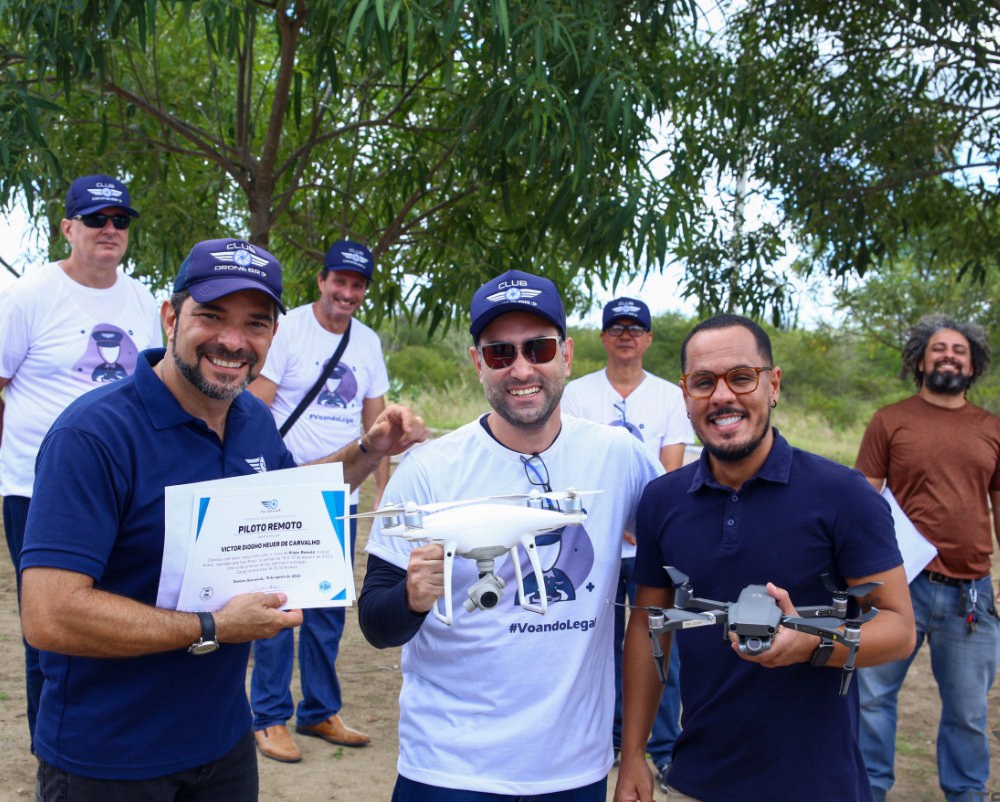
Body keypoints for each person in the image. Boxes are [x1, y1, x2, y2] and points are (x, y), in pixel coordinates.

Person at [19, 238, 426, 800]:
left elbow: (296, 502)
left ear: (272, 336)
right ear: (170, 317)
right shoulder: (92, 436)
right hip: (110, 759)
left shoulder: (252, 418)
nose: (233, 341)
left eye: (255, 324)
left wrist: (369, 448)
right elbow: (48, 615)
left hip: (221, 747)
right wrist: (212, 627)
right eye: (211, 316)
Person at [357, 269, 663, 800]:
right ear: (478, 364)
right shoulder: (428, 469)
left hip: (574, 768)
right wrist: (410, 598)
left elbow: (683, 543)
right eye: (501, 354)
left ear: (566, 355)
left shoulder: (620, 457)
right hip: (448, 768)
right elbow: (376, 626)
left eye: (539, 349)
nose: (522, 368)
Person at [614, 313, 916, 802]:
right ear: (685, 394)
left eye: (741, 377)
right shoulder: (662, 501)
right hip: (698, 780)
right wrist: (633, 756)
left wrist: (814, 644)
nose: (722, 396)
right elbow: (650, 624)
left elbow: (900, 629)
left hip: (819, 785)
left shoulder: (842, 494)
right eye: (703, 382)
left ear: (772, 385)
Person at [0, 173, 161, 745]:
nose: (110, 230)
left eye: (120, 220)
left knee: (119, 615)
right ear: (67, 227)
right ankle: (54, 747)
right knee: (49, 625)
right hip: (36, 489)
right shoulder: (28, 296)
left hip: (125, 490)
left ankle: (111, 738)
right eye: (96, 219)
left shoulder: (143, 301)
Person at [249, 240, 388, 762]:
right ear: (322, 280)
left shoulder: (368, 343)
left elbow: (375, 425)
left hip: (339, 492)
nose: (347, 292)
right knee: (278, 607)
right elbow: (255, 407)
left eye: (357, 285)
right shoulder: (289, 330)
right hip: (285, 489)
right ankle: (268, 717)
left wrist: (380, 485)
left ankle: (319, 711)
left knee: (329, 606)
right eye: (340, 281)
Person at [854, 313, 1000, 802]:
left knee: (968, 711)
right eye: (939, 349)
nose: (949, 356)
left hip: (971, 593)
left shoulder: (991, 428)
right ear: (920, 360)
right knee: (872, 698)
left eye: (959, 350)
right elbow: (863, 503)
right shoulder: (890, 420)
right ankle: (868, 789)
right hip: (900, 585)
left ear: (973, 364)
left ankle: (966, 794)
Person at [562, 296, 692, 785]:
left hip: (652, 546)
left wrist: (645, 522)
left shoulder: (668, 397)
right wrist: (615, 521)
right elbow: (573, 468)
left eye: (635, 328)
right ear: (602, 337)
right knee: (597, 645)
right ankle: (612, 739)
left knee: (660, 645)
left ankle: (662, 746)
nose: (625, 335)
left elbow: (670, 468)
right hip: (596, 544)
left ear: (649, 338)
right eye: (616, 327)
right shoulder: (576, 394)